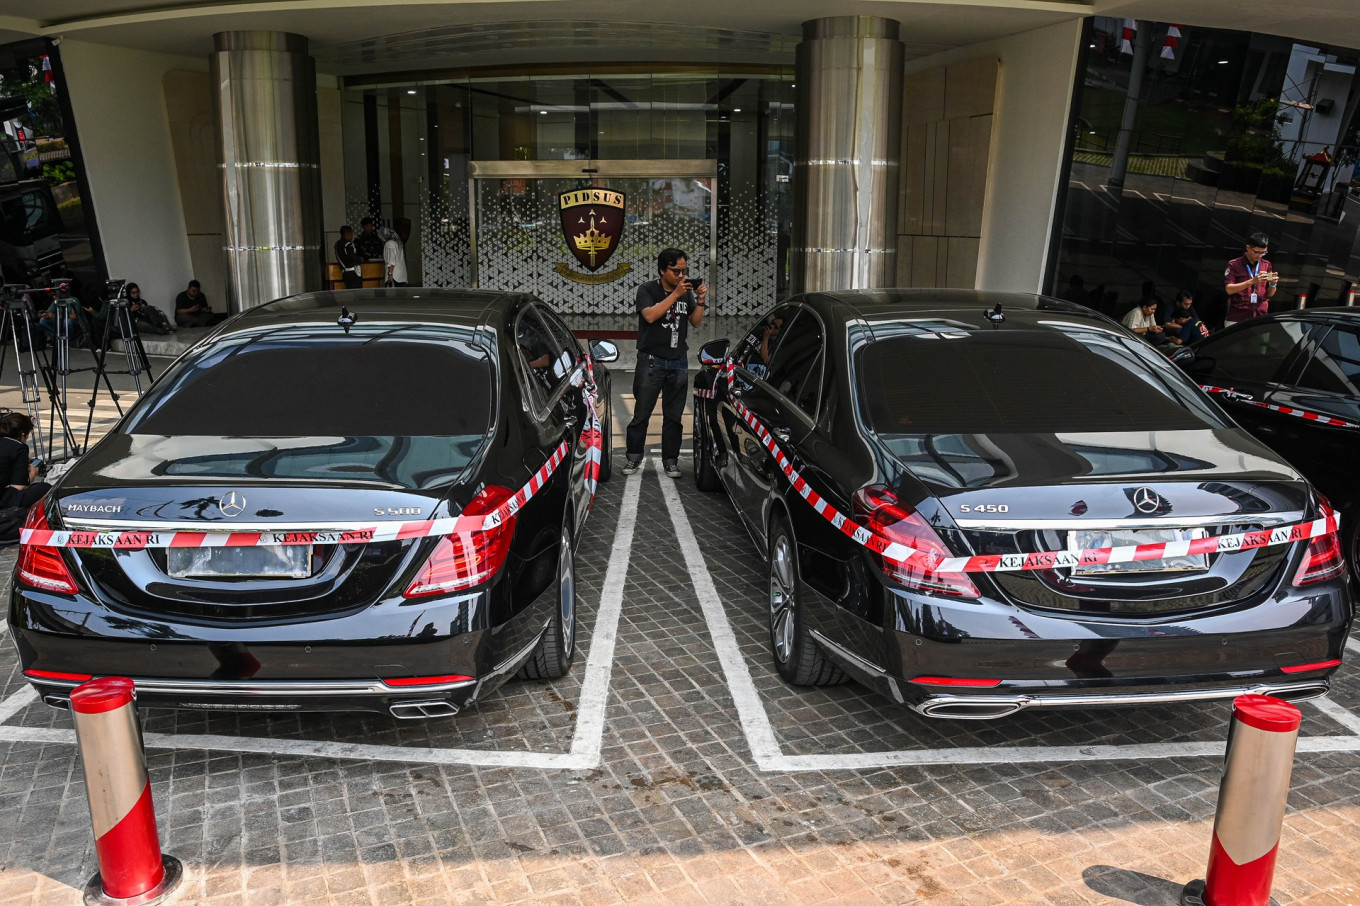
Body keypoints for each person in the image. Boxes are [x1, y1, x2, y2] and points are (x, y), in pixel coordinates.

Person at [622, 248, 708, 479]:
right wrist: (676, 295)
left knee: (674, 416)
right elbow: (649, 315)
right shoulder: (647, 289)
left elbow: (696, 322)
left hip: (678, 360)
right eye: (676, 270)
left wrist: (699, 300)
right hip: (651, 360)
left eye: (684, 271)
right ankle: (633, 458)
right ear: (662, 270)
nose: (682, 275)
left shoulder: (685, 292)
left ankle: (671, 461)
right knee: (642, 413)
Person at [1224, 232, 1279, 323]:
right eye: (1256, 252)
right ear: (1248, 248)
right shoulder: (1234, 264)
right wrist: (1252, 282)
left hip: (1260, 316)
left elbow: (1269, 294)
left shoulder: (1266, 265)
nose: (1259, 256)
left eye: (1263, 253)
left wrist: (1273, 284)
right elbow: (1229, 289)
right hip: (1238, 317)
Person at [0, 412, 51, 510]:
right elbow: (19, 487)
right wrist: (33, 472)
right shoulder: (18, 447)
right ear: (22, 435)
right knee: (44, 488)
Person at [382, 220, 410, 287]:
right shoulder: (397, 243)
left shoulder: (389, 244)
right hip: (401, 276)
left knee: (392, 295)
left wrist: (390, 274)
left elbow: (391, 261)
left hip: (394, 276)